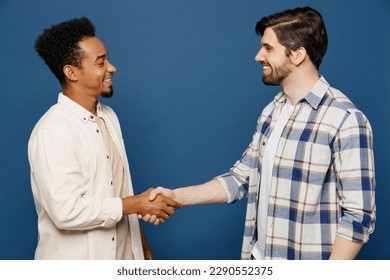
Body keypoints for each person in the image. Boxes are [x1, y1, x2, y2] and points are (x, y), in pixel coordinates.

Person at [143, 7, 376, 260]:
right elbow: (241, 179)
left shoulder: (345, 120)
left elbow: (358, 216)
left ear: (297, 55)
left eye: (268, 48)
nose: (258, 56)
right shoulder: (271, 112)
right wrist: (176, 197)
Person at [28, 17, 180, 260]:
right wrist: (137, 204)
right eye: (101, 63)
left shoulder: (108, 116)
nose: (112, 68)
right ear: (72, 72)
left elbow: (119, 188)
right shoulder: (52, 131)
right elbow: (66, 211)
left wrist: (139, 243)